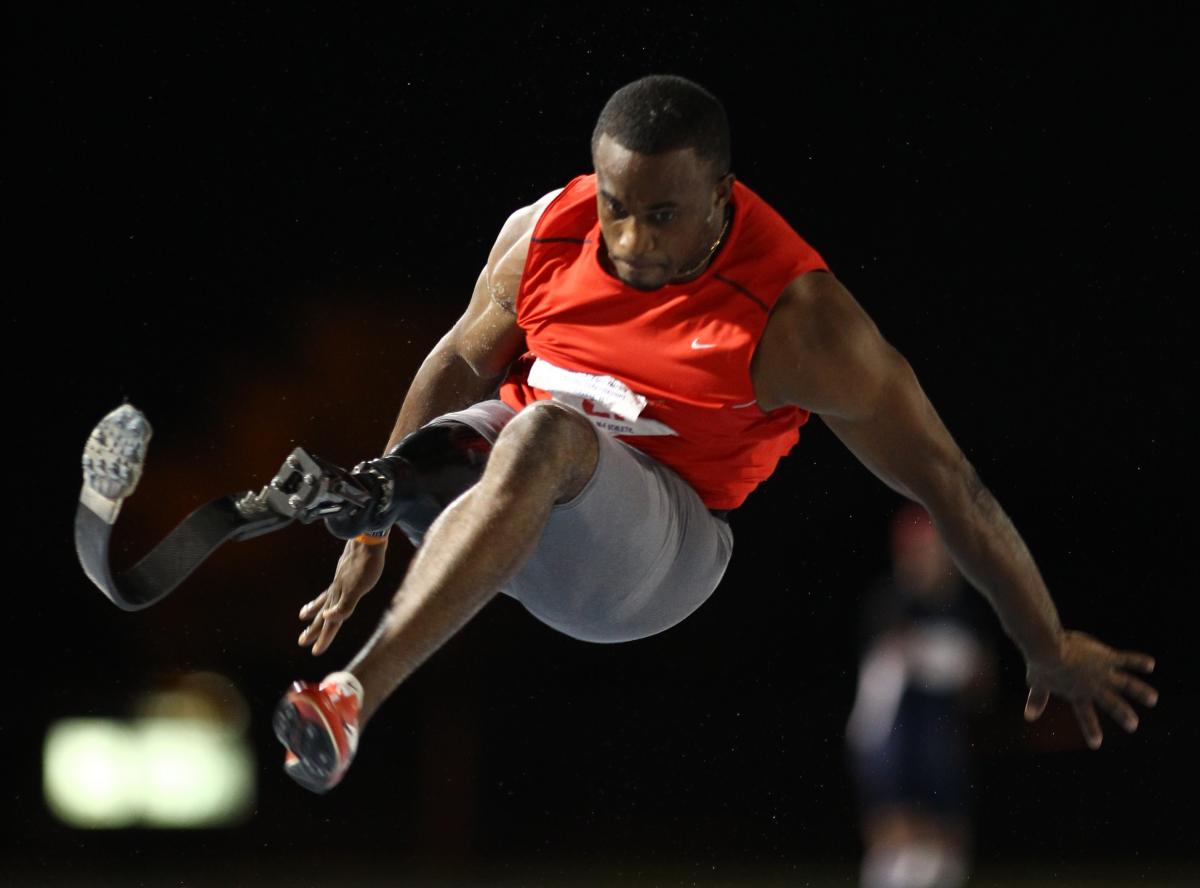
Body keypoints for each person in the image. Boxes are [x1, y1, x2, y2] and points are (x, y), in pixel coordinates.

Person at [272, 74, 1158, 794]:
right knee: (482, 429)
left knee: (545, 431)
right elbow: (457, 362)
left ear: (722, 199)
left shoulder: (798, 320)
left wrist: (1043, 640)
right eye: (617, 205)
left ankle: (351, 696)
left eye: (662, 216)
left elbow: (948, 484)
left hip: (653, 558)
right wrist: (377, 519)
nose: (630, 240)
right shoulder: (545, 232)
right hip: (502, 494)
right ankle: (375, 493)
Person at [846, 503, 995, 888]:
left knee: (947, 840)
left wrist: (959, 662)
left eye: (936, 551)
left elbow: (981, 684)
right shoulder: (891, 601)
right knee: (896, 835)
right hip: (893, 734)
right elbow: (882, 674)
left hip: (944, 736)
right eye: (921, 550)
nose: (928, 560)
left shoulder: (964, 605)